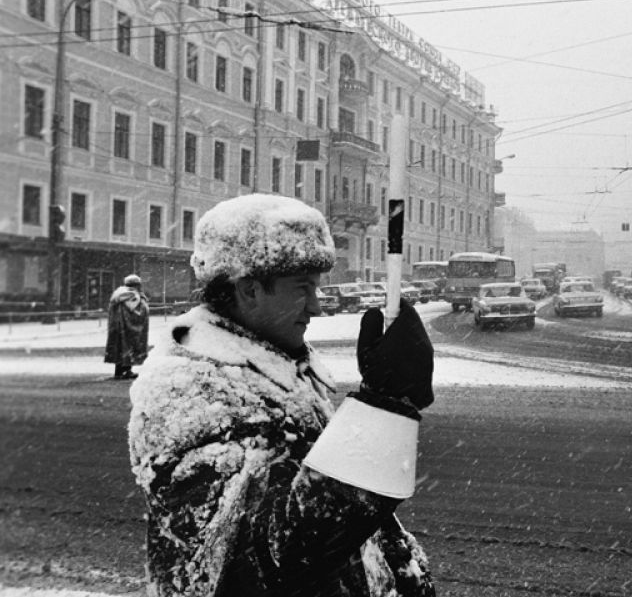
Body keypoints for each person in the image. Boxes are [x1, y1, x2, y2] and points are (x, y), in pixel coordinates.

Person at [127, 193, 435, 596]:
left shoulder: (276, 369)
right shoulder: (190, 391)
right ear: (249, 289)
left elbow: (342, 530)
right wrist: (384, 408)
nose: (317, 305)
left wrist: (405, 572)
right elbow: (274, 552)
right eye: (302, 288)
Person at [104, 274, 149, 380]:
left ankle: (119, 371)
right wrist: (143, 299)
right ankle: (126, 371)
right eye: (139, 285)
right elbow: (139, 311)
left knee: (119, 348)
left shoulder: (118, 294)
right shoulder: (133, 296)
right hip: (127, 328)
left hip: (116, 327)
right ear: (136, 285)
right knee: (128, 347)